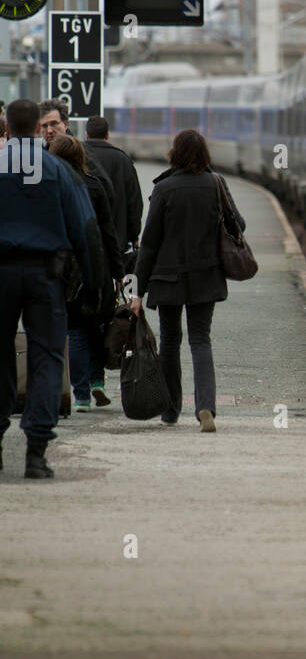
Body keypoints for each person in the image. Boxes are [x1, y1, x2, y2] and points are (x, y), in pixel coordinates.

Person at [0, 98, 102, 479]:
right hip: (45, 276)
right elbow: (85, 230)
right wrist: (93, 285)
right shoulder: (57, 170)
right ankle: (36, 453)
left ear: (7, 128)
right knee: (46, 358)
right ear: (36, 128)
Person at [132, 129, 245, 433]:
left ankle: (170, 410)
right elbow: (239, 225)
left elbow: (150, 243)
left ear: (175, 153)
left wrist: (137, 292)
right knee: (200, 340)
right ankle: (205, 406)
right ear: (205, 154)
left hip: (167, 278)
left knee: (170, 341)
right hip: (206, 276)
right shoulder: (215, 183)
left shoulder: (165, 188)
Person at [49, 134, 125, 413]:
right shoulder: (94, 186)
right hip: (96, 266)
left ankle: (80, 394)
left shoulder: (48, 187)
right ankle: (97, 381)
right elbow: (108, 233)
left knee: (75, 330)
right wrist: (119, 272)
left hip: (62, 270)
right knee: (97, 324)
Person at [84, 114, 143, 264]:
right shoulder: (123, 160)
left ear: (86, 134)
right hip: (118, 242)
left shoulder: (78, 155)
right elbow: (134, 202)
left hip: (85, 241)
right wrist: (133, 235)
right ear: (107, 134)